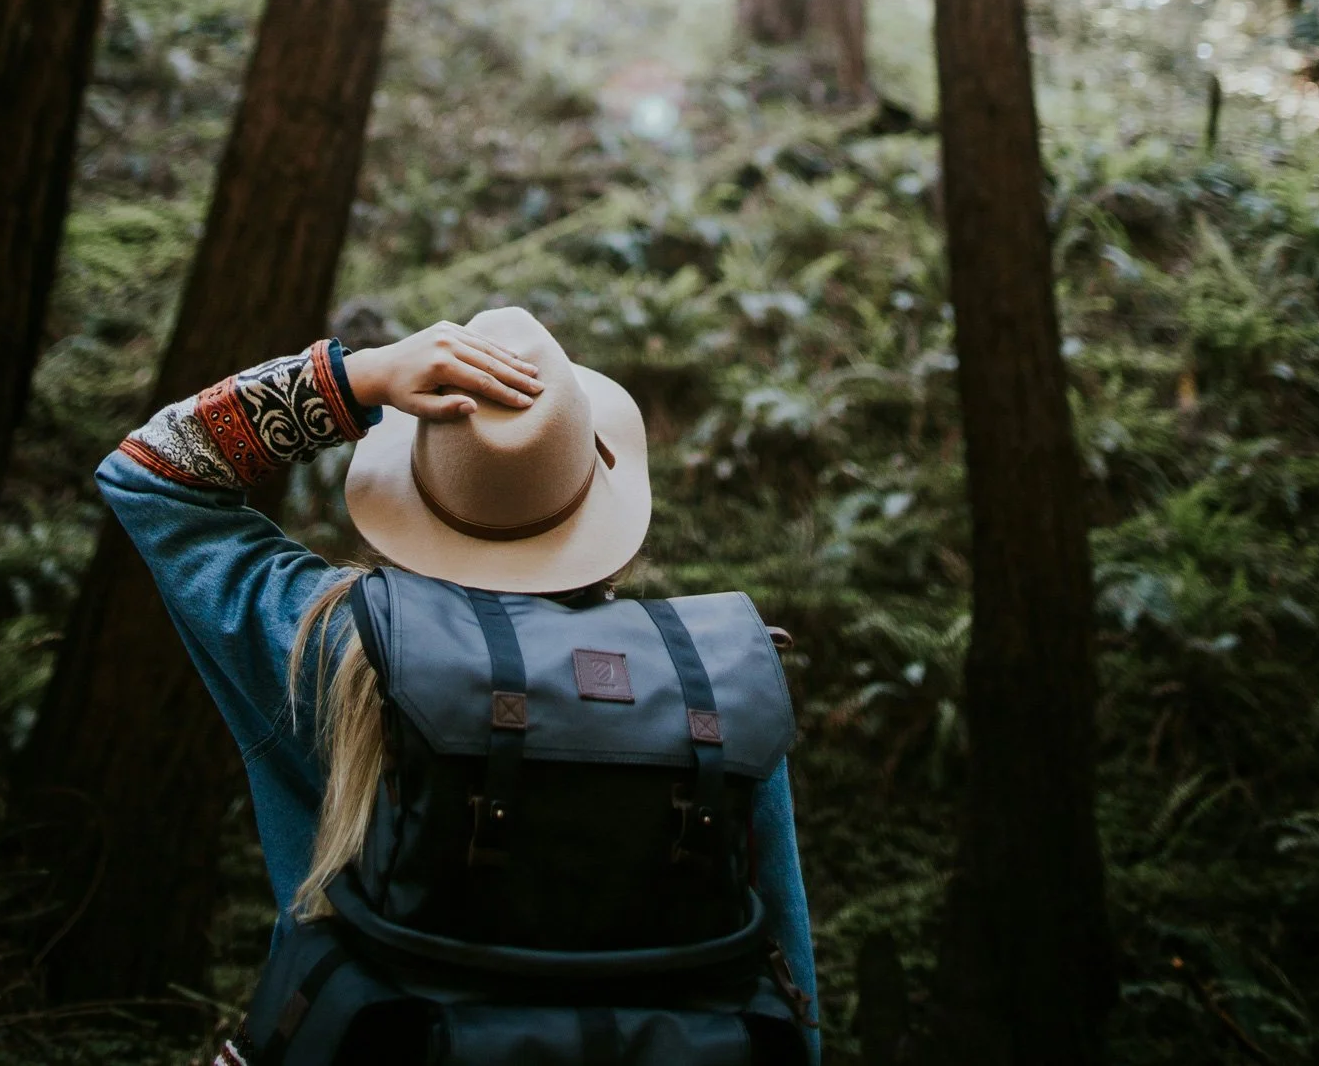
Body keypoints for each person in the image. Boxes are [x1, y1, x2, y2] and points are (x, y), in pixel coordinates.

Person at [98, 306, 820, 1063]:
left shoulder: (339, 651)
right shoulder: (709, 679)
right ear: (596, 483)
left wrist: (355, 378)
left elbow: (153, 473)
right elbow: (785, 972)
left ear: (416, 491)